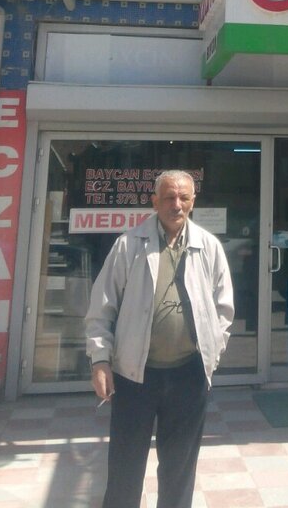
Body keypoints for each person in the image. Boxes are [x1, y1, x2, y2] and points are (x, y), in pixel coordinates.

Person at [85, 169, 234, 508]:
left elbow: (224, 309)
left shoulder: (208, 247)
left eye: (183, 197)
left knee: (179, 469)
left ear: (193, 202)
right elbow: (101, 308)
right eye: (168, 197)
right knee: (125, 467)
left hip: (189, 375)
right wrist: (100, 360)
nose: (176, 204)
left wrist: (212, 353)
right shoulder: (128, 245)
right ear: (154, 202)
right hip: (134, 375)